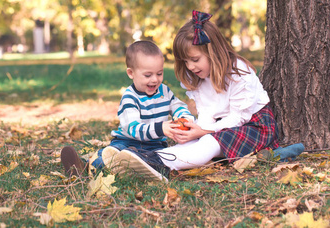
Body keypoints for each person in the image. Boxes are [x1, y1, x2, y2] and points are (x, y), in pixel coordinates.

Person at [108, 10, 280, 182]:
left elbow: (238, 117)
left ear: (213, 53)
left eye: (195, 60)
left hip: (252, 125)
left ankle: (159, 162)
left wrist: (203, 132)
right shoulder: (198, 76)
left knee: (209, 143)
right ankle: (142, 160)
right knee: (190, 142)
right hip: (219, 125)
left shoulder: (238, 73)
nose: (190, 66)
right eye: (185, 61)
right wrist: (195, 132)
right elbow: (206, 113)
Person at [60, 40, 195, 176]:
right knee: (113, 155)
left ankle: (141, 169)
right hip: (128, 141)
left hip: (155, 145)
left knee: (159, 158)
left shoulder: (164, 91)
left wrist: (184, 118)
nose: (155, 80)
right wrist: (160, 128)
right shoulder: (130, 98)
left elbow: (178, 106)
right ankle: (84, 167)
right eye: (148, 75)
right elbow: (133, 129)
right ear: (131, 73)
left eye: (159, 73)